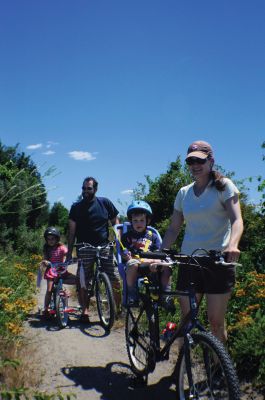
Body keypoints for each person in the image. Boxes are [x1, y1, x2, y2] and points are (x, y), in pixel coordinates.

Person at [162, 140, 244, 344]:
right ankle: (181, 370)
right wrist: (162, 252)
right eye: (191, 161)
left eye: (199, 161)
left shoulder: (224, 186)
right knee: (187, 319)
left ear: (211, 161)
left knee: (215, 322)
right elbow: (174, 228)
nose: (195, 166)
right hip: (189, 260)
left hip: (217, 261)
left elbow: (237, 220)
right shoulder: (184, 193)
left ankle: (218, 372)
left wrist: (233, 245)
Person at [66, 176, 121, 323]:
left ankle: (117, 309)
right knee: (83, 280)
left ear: (95, 189)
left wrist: (117, 238)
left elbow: (115, 220)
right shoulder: (76, 207)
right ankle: (85, 310)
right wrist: (69, 253)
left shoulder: (105, 203)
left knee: (115, 278)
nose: (85, 191)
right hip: (84, 247)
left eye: (88, 188)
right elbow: (71, 232)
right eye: (83, 188)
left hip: (104, 246)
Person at [121, 200, 174, 311]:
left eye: (141, 220)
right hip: (136, 265)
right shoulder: (127, 236)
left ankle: (166, 295)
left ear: (147, 221)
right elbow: (123, 250)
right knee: (132, 264)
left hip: (152, 262)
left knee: (167, 265)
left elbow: (158, 252)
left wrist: (154, 259)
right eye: (135, 221)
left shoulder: (152, 236)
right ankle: (133, 295)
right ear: (131, 221)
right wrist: (125, 254)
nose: (138, 223)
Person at [40, 227, 76, 319]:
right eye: (48, 239)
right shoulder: (47, 249)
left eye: (53, 238)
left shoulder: (61, 247)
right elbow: (44, 259)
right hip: (51, 272)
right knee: (49, 290)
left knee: (78, 280)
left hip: (61, 270)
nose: (51, 241)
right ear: (46, 240)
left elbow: (67, 253)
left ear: (57, 239)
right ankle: (46, 309)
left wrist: (70, 258)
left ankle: (78, 298)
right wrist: (45, 262)